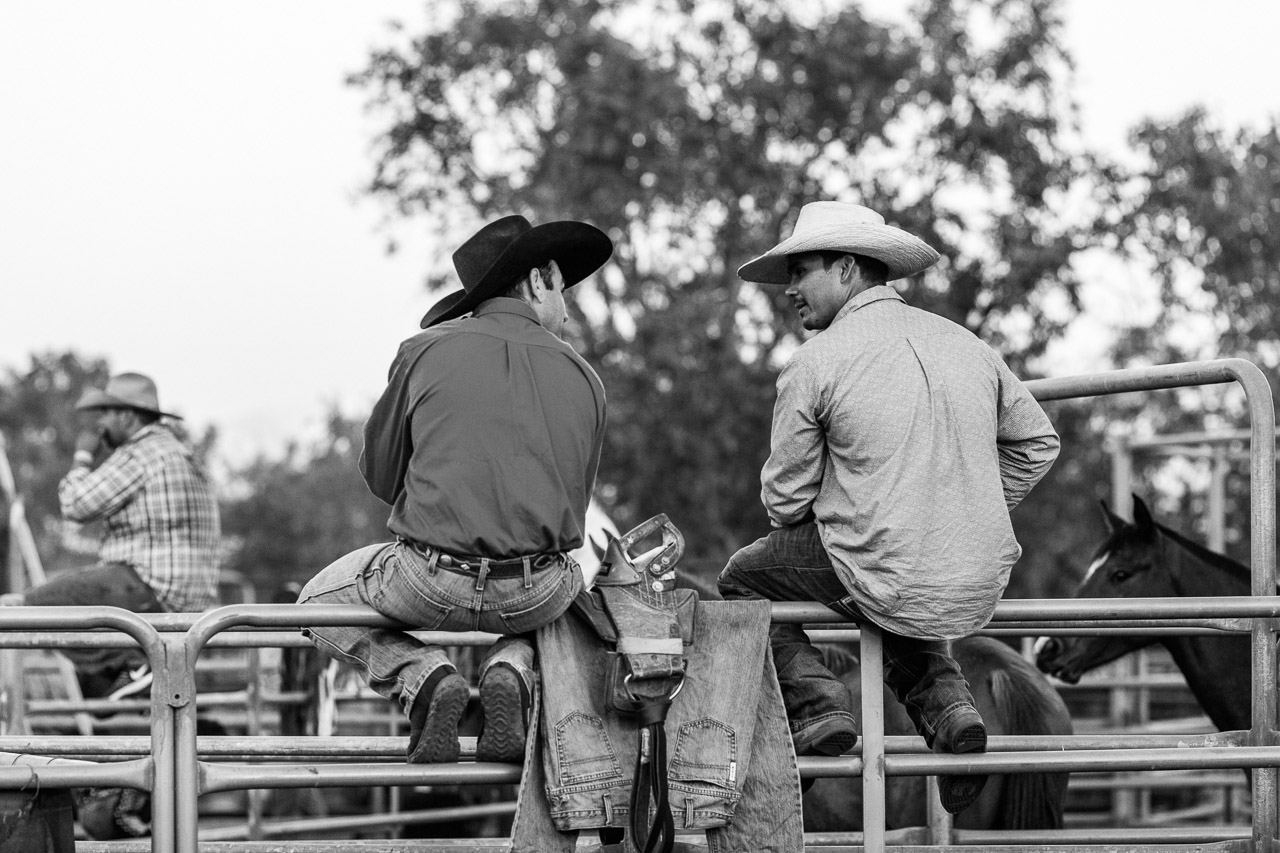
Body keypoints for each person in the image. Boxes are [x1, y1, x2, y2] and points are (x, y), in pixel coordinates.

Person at [717, 201, 1060, 815]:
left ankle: (819, 703)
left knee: (744, 577)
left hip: (885, 564)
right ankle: (949, 708)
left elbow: (784, 500)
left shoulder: (814, 362)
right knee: (878, 575)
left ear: (847, 268)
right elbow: (1037, 442)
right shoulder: (968, 345)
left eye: (802, 270)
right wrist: (967, 507)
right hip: (976, 577)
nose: (790, 288)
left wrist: (862, 509)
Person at [297, 214, 612, 764]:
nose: (565, 305)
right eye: (564, 288)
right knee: (577, 597)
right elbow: (573, 508)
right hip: (532, 590)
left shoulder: (423, 352)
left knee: (314, 603)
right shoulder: (586, 378)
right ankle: (510, 667)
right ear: (539, 281)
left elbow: (380, 476)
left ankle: (423, 677)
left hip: (429, 579)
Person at [4, 372, 221, 701]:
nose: (100, 424)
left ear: (127, 415)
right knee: (76, 624)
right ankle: (121, 674)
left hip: (149, 584)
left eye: (106, 413)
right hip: (188, 596)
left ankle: (133, 665)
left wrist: (83, 455)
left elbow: (76, 504)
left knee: (35, 607)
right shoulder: (181, 453)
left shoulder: (140, 454)